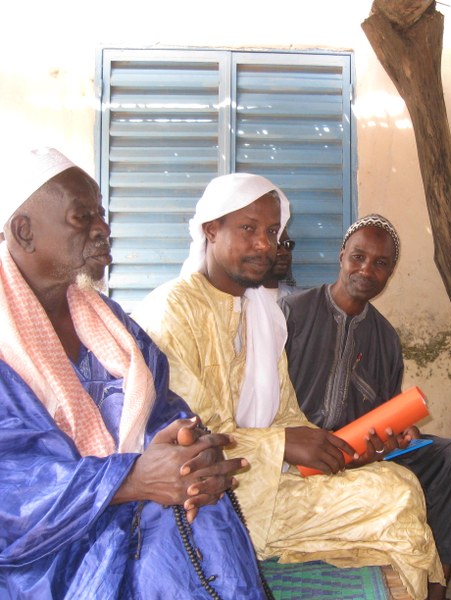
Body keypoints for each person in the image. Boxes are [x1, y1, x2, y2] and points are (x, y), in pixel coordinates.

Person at [132, 174, 443, 600]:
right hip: (213, 499)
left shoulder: (263, 313)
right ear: (210, 229)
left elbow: (288, 418)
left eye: (272, 232)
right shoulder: (173, 311)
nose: (265, 244)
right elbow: (189, 443)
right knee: (394, 502)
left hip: (270, 477)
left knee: (399, 484)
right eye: (249, 229)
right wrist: (281, 445)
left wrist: (339, 453)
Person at [0, 148, 268, 598]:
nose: (103, 229)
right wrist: (125, 480)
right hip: (41, 556)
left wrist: (190, 452)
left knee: (199, 512)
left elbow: (161, 410)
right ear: (24, 232)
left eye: (101, 215)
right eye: (81, 217)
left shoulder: (109, 321)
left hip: (134, 508)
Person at [279, 214, 451, 600]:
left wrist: (402, 433)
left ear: (390, 273)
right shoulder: (293, 314)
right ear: (341, 256)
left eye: (380, 263)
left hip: (361, 453)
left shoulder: (386, 338)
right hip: (299, 449)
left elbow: (387, 410)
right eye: (358, 257)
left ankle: (435, 587)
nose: (367, 269)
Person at [263, 227, 299, 300]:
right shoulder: (239, 299)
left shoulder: (300, 299)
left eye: (288, 245)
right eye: (276, 245)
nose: (284, 252)